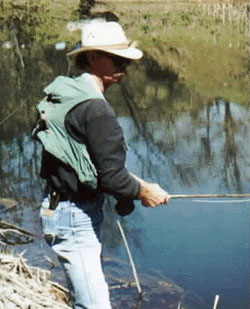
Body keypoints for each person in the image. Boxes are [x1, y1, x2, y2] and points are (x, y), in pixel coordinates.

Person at [33, 21, 169, 309]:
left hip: (60, 209)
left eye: (125, 60)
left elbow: (91, 165)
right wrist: (145, 193)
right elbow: (111, 178)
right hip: (74, 218)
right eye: (117, 59)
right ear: (93, 58)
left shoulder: (69, 93)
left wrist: (137, 187)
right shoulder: (96, 109)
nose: (125, 67)